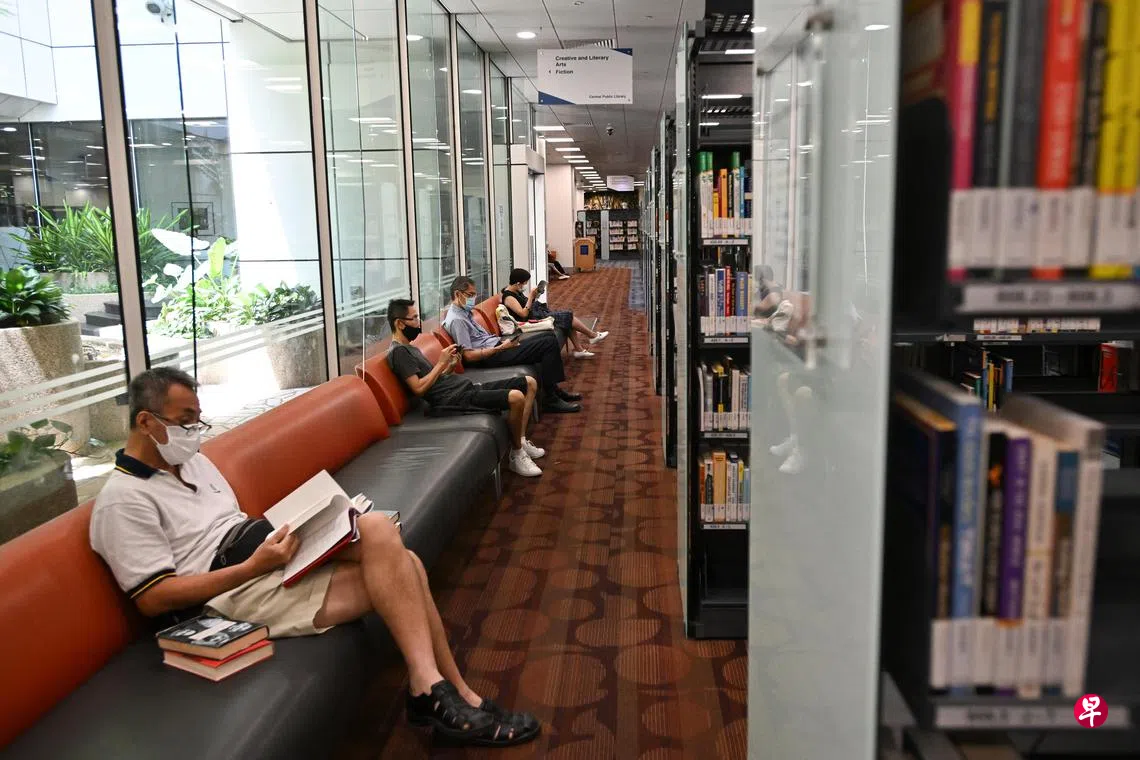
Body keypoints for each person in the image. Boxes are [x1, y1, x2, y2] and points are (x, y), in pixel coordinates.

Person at [89, 368, 540, 748]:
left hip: (258, 556)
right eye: (185, 421)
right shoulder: (123, 500)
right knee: (397, 552)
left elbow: (232, 522)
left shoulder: (192, 462)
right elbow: (154, 598)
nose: (194, 433)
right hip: (228, 594)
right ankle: (439, 692)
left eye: (198, 420)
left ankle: (448, 691)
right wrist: (253, 567)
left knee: (388, 546)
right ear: (146, 422)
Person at [386, 298, 544, 477]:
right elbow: (419, 388)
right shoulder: (399, 352)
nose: (419, 322)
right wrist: (441, 363)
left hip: (461, 388)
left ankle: (520, 441)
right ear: (399, 323)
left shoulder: (409, 348)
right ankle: (516, 455)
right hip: (452, 399)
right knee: (516, 397)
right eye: (414, 318)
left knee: (529, 382)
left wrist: (449, 366)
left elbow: (433, 380)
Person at [442, 276, 582, 413]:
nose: (473, 298)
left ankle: (554, 391)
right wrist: (500, 348)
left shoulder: (464, 313)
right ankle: (550, 399)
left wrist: (501, 344)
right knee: (547, 343)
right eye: (470, 295)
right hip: (491, 356)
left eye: (474, 295)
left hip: (497, 346)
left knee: (548, 336)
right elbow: (468, 356)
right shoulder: (457, 320)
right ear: (457, 294)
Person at [501, 269, 609, 359]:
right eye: (524, 283)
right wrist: (530, 297)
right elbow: (523, 314)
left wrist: (536, 295)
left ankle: (580, 349)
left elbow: (526, 305)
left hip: (536, 313)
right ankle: (592, 336)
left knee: (566, 317)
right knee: (567, 316)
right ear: (518, 283)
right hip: (530, 320)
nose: (525, 285)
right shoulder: (509, 297)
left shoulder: (516, 291)